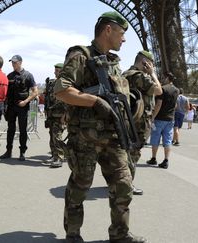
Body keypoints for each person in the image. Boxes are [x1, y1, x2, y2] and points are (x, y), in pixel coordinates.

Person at [54, 11, 147, 243]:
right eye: (122, 33)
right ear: (108, 30)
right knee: (79, 188)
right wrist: (94, 100)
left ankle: (120, 234)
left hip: (114, 137)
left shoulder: (114, 63)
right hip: (85, 138)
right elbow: (61, 90)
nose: (124, 39)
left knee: (124, 186)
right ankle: (73, 234)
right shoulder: (81, 56)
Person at [123, 50, 162, 195]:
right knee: (133, 153)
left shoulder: (125, 74)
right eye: (151, 64)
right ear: (145, 63)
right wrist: (152, 73)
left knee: (124, 152)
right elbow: (158, 91)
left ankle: (118, 181)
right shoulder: (140, 76)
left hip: (126, 119)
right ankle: (127, 185)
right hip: (139, 122)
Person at [0, 55, 38, 161]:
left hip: (22, 107)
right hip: (11, 106)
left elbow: (35, 92)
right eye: (12, 62)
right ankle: (8, 151)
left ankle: (22, 152)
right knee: (10, 129)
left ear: (20, 62)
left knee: (22, 130)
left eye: (15, 62)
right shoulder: (9, 75)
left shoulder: (28, 75)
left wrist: (25, 101)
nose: (13, 64)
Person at [146, 72, 179, 169]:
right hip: (170, 119)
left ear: (167, 78)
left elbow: (158, 104)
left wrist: (153, 117)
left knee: (155, 138)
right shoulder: (176, 90)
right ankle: (166, 160)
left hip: (160, 118)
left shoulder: (163, 89)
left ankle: (153, 158)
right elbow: (175, 105)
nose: (162, 79)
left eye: (163, 77)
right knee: (167, 140)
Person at [43, 63, 67, 168]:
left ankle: (60, 157)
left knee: (57, 136)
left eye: (57, 70)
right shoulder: (53, 83)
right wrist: (46, 110)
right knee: (52, 136)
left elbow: (68, 100)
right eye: (55, 70)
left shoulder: (65, 83)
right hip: (51, 114)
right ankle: (54, 155)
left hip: (60, 114)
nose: (55, 72)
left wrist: (66, 114)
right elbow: (48, 98)